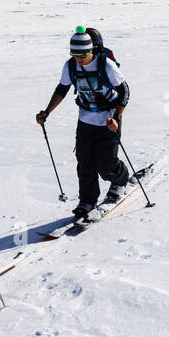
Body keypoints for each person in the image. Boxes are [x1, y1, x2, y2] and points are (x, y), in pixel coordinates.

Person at [35, 27, 130, 218]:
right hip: (85, 120)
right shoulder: (70, 66)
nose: (79, 59)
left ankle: (120, 180)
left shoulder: (107, 65)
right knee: (84, 162)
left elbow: (124, 92)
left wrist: (117, 117)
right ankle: (87, 200)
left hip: (107, 120)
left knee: (106, 164)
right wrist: (47, 112)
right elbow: (62, 89)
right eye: (75, 54)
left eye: (83, 54)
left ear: (91, 51)